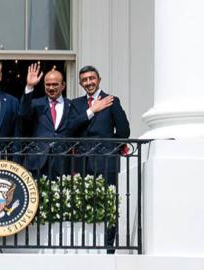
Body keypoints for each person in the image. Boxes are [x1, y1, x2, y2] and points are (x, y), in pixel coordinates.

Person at [70, 65, 130, 254]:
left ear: (99, 79)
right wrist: (92, 110)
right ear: (80, 83)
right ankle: (86, 246)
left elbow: (123, 132)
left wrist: (112, 147)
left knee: (108, 203)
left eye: (92, 78)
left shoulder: (112, 101)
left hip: (106, 161)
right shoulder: (76, 104)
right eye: (85, 80)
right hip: (82, 162)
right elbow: (70, 129)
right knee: (82, 202)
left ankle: (108, 247)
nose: (89, 82)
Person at [19, 64, 114, 179]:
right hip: (37, 162)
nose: (51, 88)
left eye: (55, 84)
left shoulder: (72, 105)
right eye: (48, 85)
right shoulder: (35, 104)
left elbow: (77, 127)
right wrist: (29, 87)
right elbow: (23, 114)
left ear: (63, 85)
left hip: (63, 164)